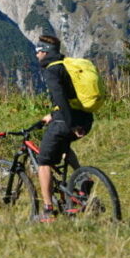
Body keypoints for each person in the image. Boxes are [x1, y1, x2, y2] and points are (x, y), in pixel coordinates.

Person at [34, 34, 93, 222]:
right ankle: (84, 180)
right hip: (85, 118)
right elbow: (69, 98)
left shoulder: (52, 71)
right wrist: (52, 115)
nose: (36, 56)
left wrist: (70, 124)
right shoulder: (66, 65)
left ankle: (48, 210)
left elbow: (60, 98)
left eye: (38, 51)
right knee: (64, 147)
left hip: (67, 121)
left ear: (44, 51)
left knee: (43, 162)